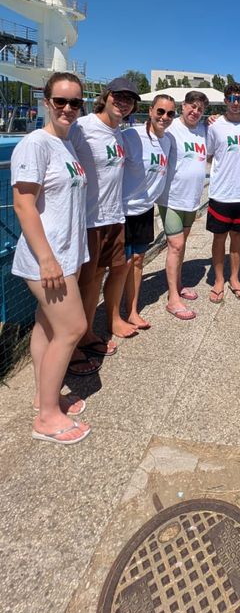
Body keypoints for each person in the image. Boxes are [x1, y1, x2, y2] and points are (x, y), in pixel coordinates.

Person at [11, 73, 91, 444]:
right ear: (46, 102)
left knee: (46, 327)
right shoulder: (35, 144)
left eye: (75, 102)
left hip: (66, 254)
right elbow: (23, 204)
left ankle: (44, 395)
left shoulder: (66, 144)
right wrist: (46, 259)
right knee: (72, 328)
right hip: (47, 259)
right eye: (61, 101)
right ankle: (46, 418)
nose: (68, 109)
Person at [69, 77, 141, 368]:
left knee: (98, 279)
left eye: (129, 99)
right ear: (106, 96)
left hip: (114, 216)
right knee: (82, 283)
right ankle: (75, 341)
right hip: (88, 220)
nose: (123, 102)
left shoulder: (120, 134)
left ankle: (87, 332)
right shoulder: (82, 128)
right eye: (118, 96)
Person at [121, 95, 174, 328]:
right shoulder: (131, 136)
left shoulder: (168, 140)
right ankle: (113, 316)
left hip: (144, 209)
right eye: (160, 111)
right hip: (122, 210)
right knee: (119, 266)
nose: (164, 117)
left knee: (138, 261)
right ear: (150, 110)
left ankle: (131, 311)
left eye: (170, 113)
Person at [158, 91, 209, 319]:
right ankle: (173, 300)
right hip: (171, 197)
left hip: (192, 199)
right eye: (192, 106)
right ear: (183, 105)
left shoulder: (203, 130)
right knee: (176, 245)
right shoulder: (170, 129)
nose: (195, 111)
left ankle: (178, 285)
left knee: (182, 245)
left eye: (200, 108)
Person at [206, 83, 240, 302]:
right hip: (221, 193)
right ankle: (219, 280)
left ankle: (235, 278)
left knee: (238, 238)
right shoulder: (215, 126)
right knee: (220, 238)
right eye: (232, 99)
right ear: (226, 101)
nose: (236, 103)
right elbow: (209, 155)